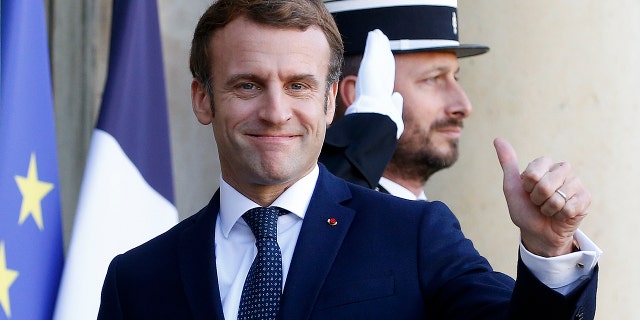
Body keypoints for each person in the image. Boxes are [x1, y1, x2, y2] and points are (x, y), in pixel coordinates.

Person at [98, 1, 600, 319]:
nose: (276, 112)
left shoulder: (414, 236)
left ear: (330, 99)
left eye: (299, 85)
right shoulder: (138, 279)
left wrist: (549, 250)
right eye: (247, 85)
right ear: (203, 99)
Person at [319, 0, 489, 198]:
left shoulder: (426, 217)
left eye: (455, 77)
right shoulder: (322, 210)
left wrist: (530, 229)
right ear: (357, 94)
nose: (464, 106)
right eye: (432, 79)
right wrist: (367, 134)